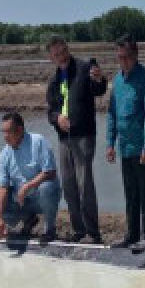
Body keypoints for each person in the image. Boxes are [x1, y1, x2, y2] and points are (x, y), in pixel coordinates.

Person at [46, 36, 107, 243]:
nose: (60, 56)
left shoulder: (84, 67)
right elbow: (50, 112)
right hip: (64, 139)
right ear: (51, 57)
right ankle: (78, 230)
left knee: (85, 184)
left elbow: (98, 89)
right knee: (69, 186)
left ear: (67, 49)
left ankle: (92, 233)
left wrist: (99, 79)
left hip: (83, 136)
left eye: (62, 51)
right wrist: (57, 119)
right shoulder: (54, 81)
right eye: (55, 54)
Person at [106, 35, 145, 249]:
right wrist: (110, 143)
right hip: (125, 146)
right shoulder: (117, 81)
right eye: (120, 57)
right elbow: (112, 113)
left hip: (143, 146)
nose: (123, 61)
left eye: (127, 57)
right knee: (130, 193)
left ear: (135, 55)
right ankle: (132, 234)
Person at [0, 112, 61, 242]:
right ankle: (28, 219)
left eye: (8, 132)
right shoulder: (4, 154)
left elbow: (51, 172)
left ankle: (50, 228)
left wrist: (29, 185)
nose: (5, 137)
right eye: (3, 132)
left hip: (40, 197)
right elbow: (2, 187)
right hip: (21, 200)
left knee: (47, 187)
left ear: (20, 130)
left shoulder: (38, 141)